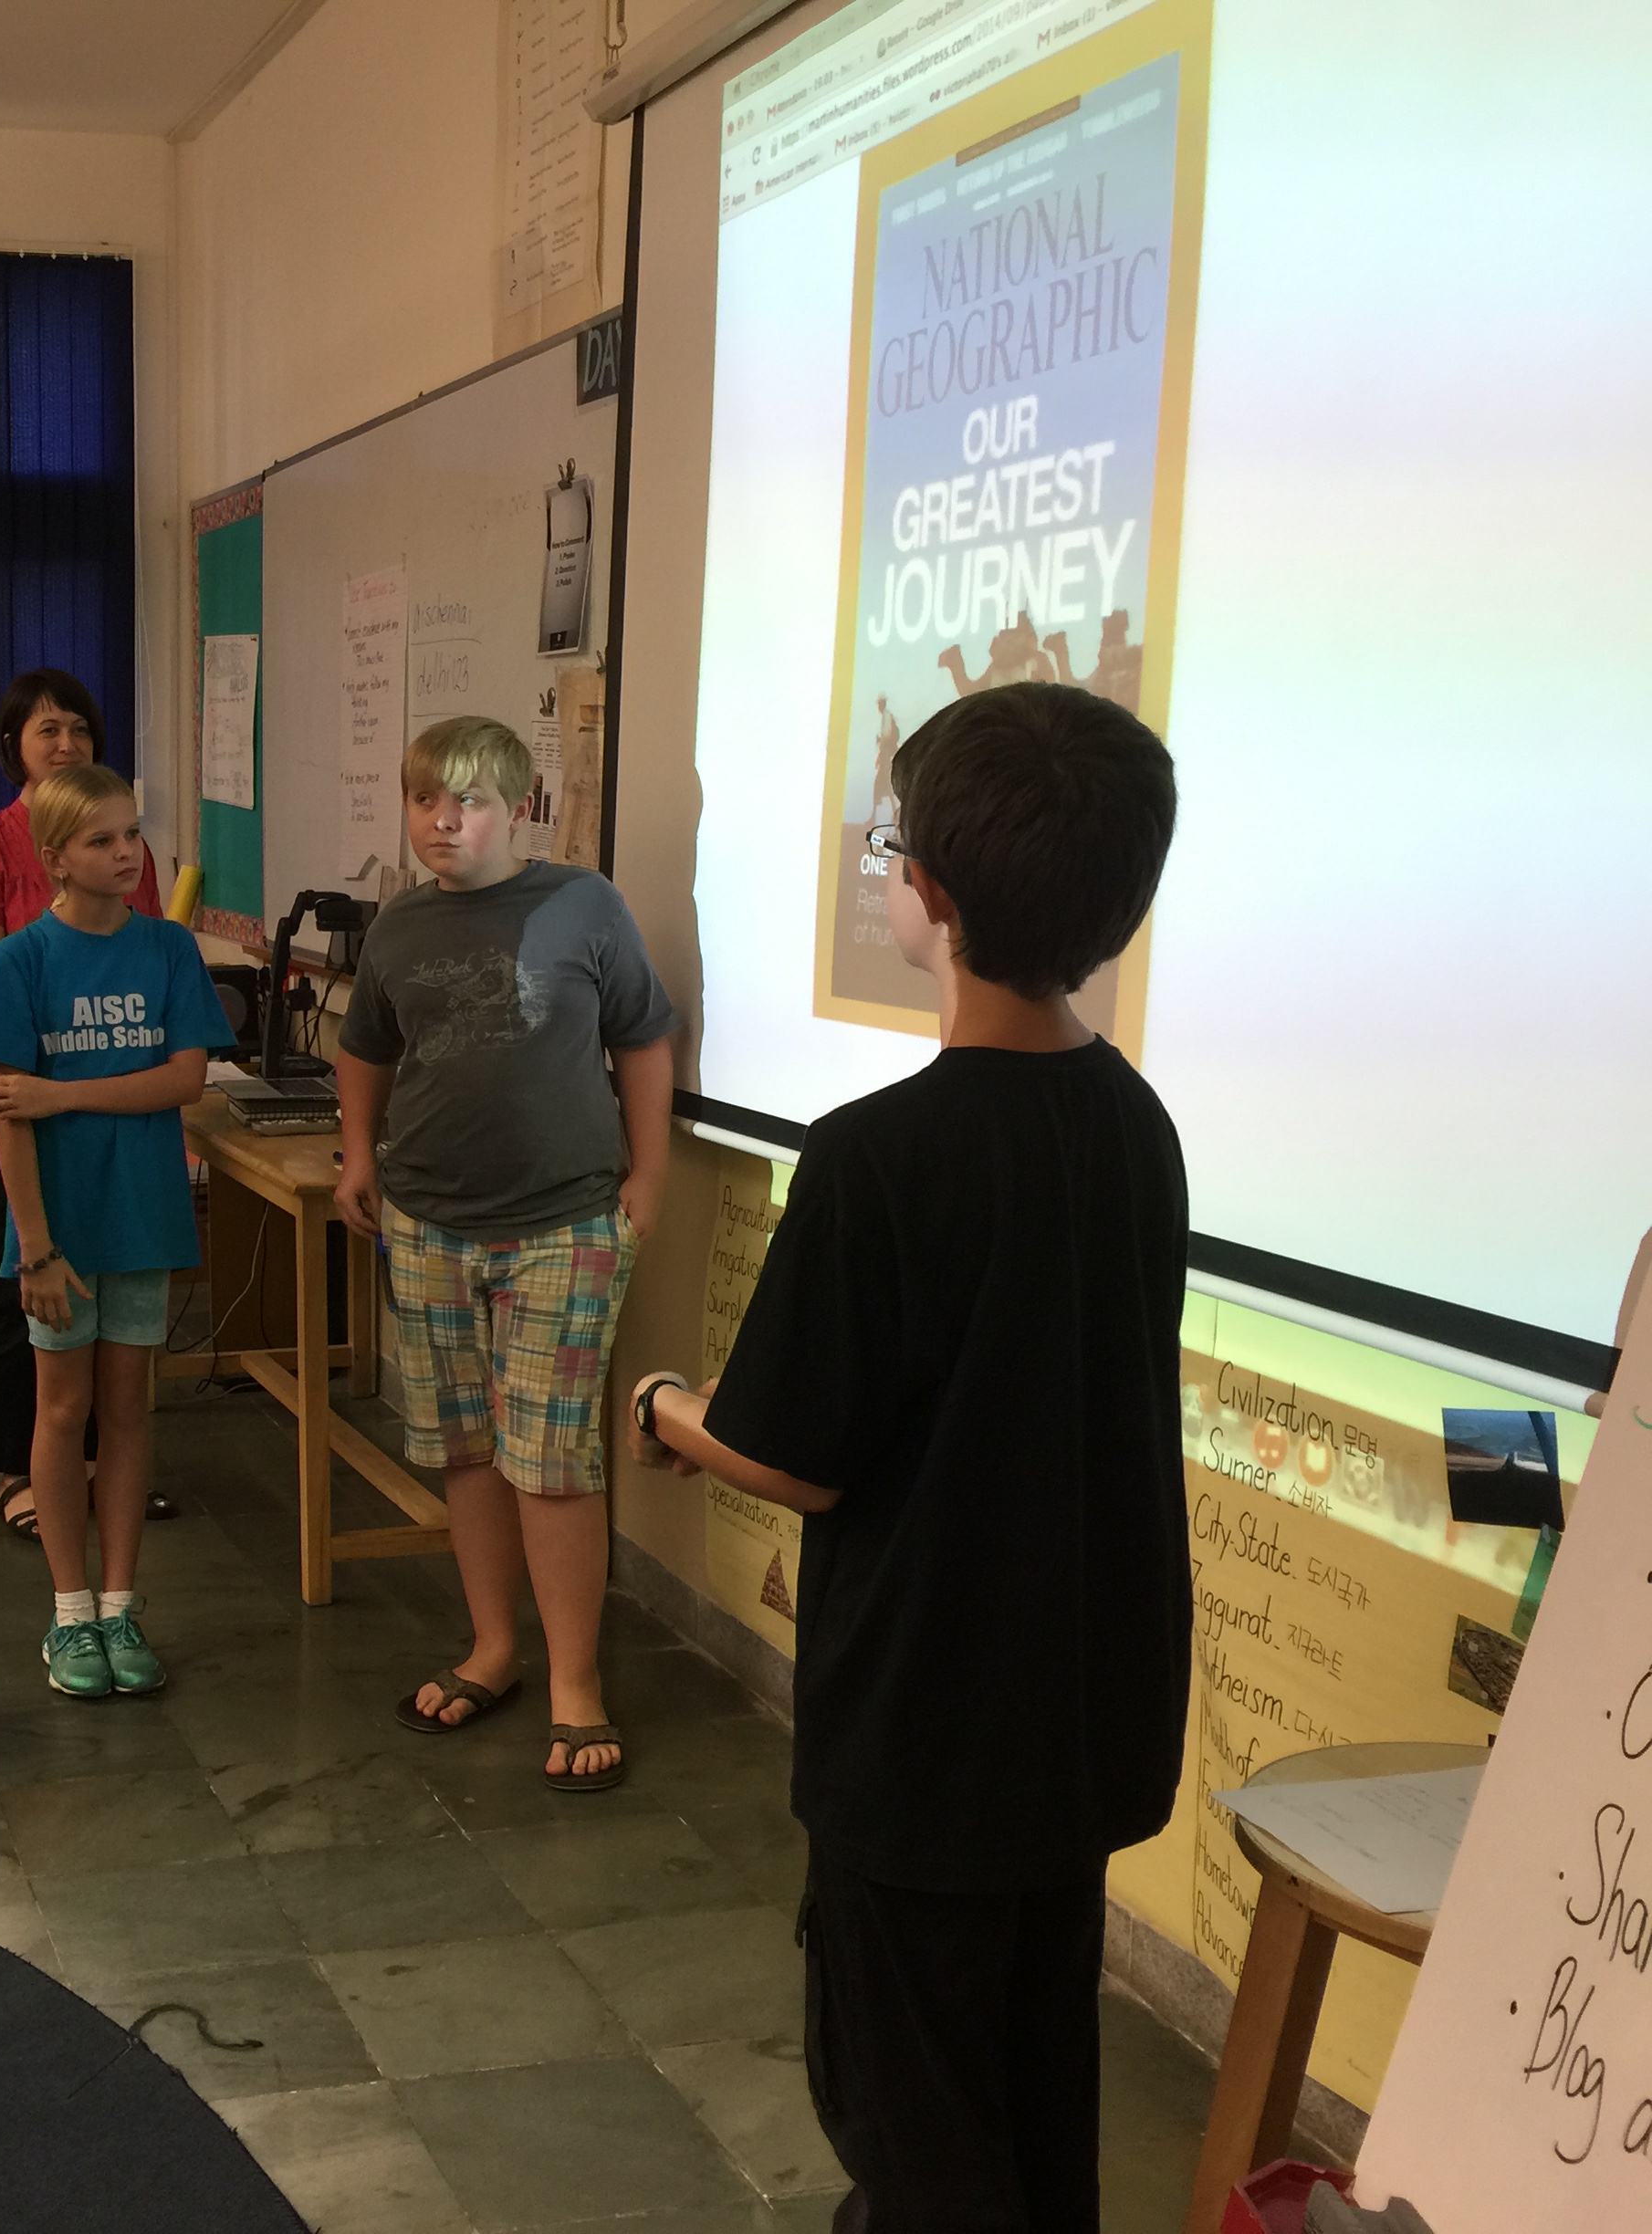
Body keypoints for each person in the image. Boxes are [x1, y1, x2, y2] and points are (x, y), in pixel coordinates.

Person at [633, 680, 1187, 2231]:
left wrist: (664, 1405)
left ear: (926, 893)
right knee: (1032, 2087)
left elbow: (793, 1456)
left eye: (884, 846)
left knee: (915, 2122)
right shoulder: (1133, 1123)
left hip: (926, 1727)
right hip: (1077, 1712)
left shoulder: (880, 1153)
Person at [331, 716, 675, 1791]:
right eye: (425, 800)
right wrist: (358, 1156)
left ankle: (576, 1682)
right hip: (428, 1221)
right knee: (466, 1449)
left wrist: (649, 1177)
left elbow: (643, 1037)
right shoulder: (397, 928)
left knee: (553, 1458)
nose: (444, 821)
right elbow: (364, 1049)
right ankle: (493, 1649)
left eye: (469, 801)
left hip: (566, 1224)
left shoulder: (586, 904)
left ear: (517, 808)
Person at [0, 764, 226, 1701]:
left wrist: (65, 1093)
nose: (126, 853)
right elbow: (9, 1113)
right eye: (101, 840)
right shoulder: (20, 962)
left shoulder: (168, 949)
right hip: (58, 1234)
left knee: (128, 1410)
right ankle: (69, 1611)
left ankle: (119, 1604)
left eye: (132, 834)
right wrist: (33, 1247)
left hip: (141, 1217)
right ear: (56, 858)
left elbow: (184, 1080)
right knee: (62, 1412)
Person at [0, 669, 168, 1543]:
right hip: (12, 1097)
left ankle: (102, 1466)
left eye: (78, 726)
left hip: (110, 1099)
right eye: (46, 730)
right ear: (14, 749)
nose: (66, 742)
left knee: (107, 1271)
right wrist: (61, 1077)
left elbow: (145, 960)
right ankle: (22, 1469)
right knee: (22, 1275)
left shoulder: (127, 848)